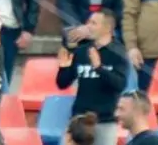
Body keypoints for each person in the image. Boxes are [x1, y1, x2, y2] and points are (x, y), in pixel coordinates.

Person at [55, 10, 130, 145]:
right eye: (88, 22)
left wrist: (98, 67)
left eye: (94, 23)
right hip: (79, 119)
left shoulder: (118, 53)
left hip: (104, 121)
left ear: (107, 28)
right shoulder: (82, 51)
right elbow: (62, 84)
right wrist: (64, 67)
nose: (88, 26)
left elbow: (120, 84)